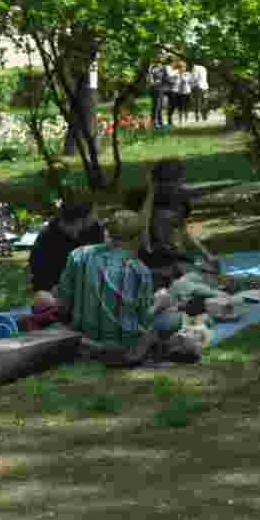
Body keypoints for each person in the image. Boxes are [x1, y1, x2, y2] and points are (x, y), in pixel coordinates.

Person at [51, 210, 197, 363]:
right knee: (173, 319)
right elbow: (143, 320)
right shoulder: (139, 270)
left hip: (83, 334)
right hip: (123, 343)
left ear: (107, 232)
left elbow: (63, 302)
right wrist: (160, 304)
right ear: (137, 239)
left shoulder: (78, 255)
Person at [131, 158, 218, 289]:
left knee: (210, 279)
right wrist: (151, 190)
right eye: (178, 179)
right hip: (156, 265)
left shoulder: (180, 200)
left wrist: (206, 255)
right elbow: (143, 231)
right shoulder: (147, 204)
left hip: (175, 259)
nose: (181, 182)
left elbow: (183, 232)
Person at [28, 202, 104, 293]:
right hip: (57, 292)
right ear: (80, 220)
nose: (95, 217)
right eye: (93, 214)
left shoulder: (94, 229)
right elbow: (40, 278)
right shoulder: (46, 240)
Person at [149, 61, 169, 129]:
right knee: (156, 106)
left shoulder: (163, 68)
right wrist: (153, 82)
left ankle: (160, 122)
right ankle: (155, 122)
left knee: (160, 106)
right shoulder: (152, 67)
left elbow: (166, 78)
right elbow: (150, 79)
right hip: (155, 89)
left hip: (161, 89)